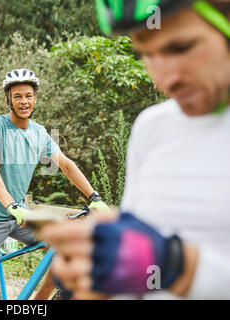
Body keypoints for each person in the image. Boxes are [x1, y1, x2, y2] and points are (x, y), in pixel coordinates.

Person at [40, 0, 230, 299]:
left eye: (180, 48)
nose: (164, 80)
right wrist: (95, 276)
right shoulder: (153, 126)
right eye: (146, 54)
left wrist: (181, 267)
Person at [0, 68, 109, 300]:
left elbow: (66, 165)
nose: (24, 101)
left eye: (28, 95)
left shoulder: (39, 132)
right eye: (17, 96)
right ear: (8, 101)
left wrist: (94, 197)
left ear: (35, 98)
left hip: (19, 215)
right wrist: (11, 205)